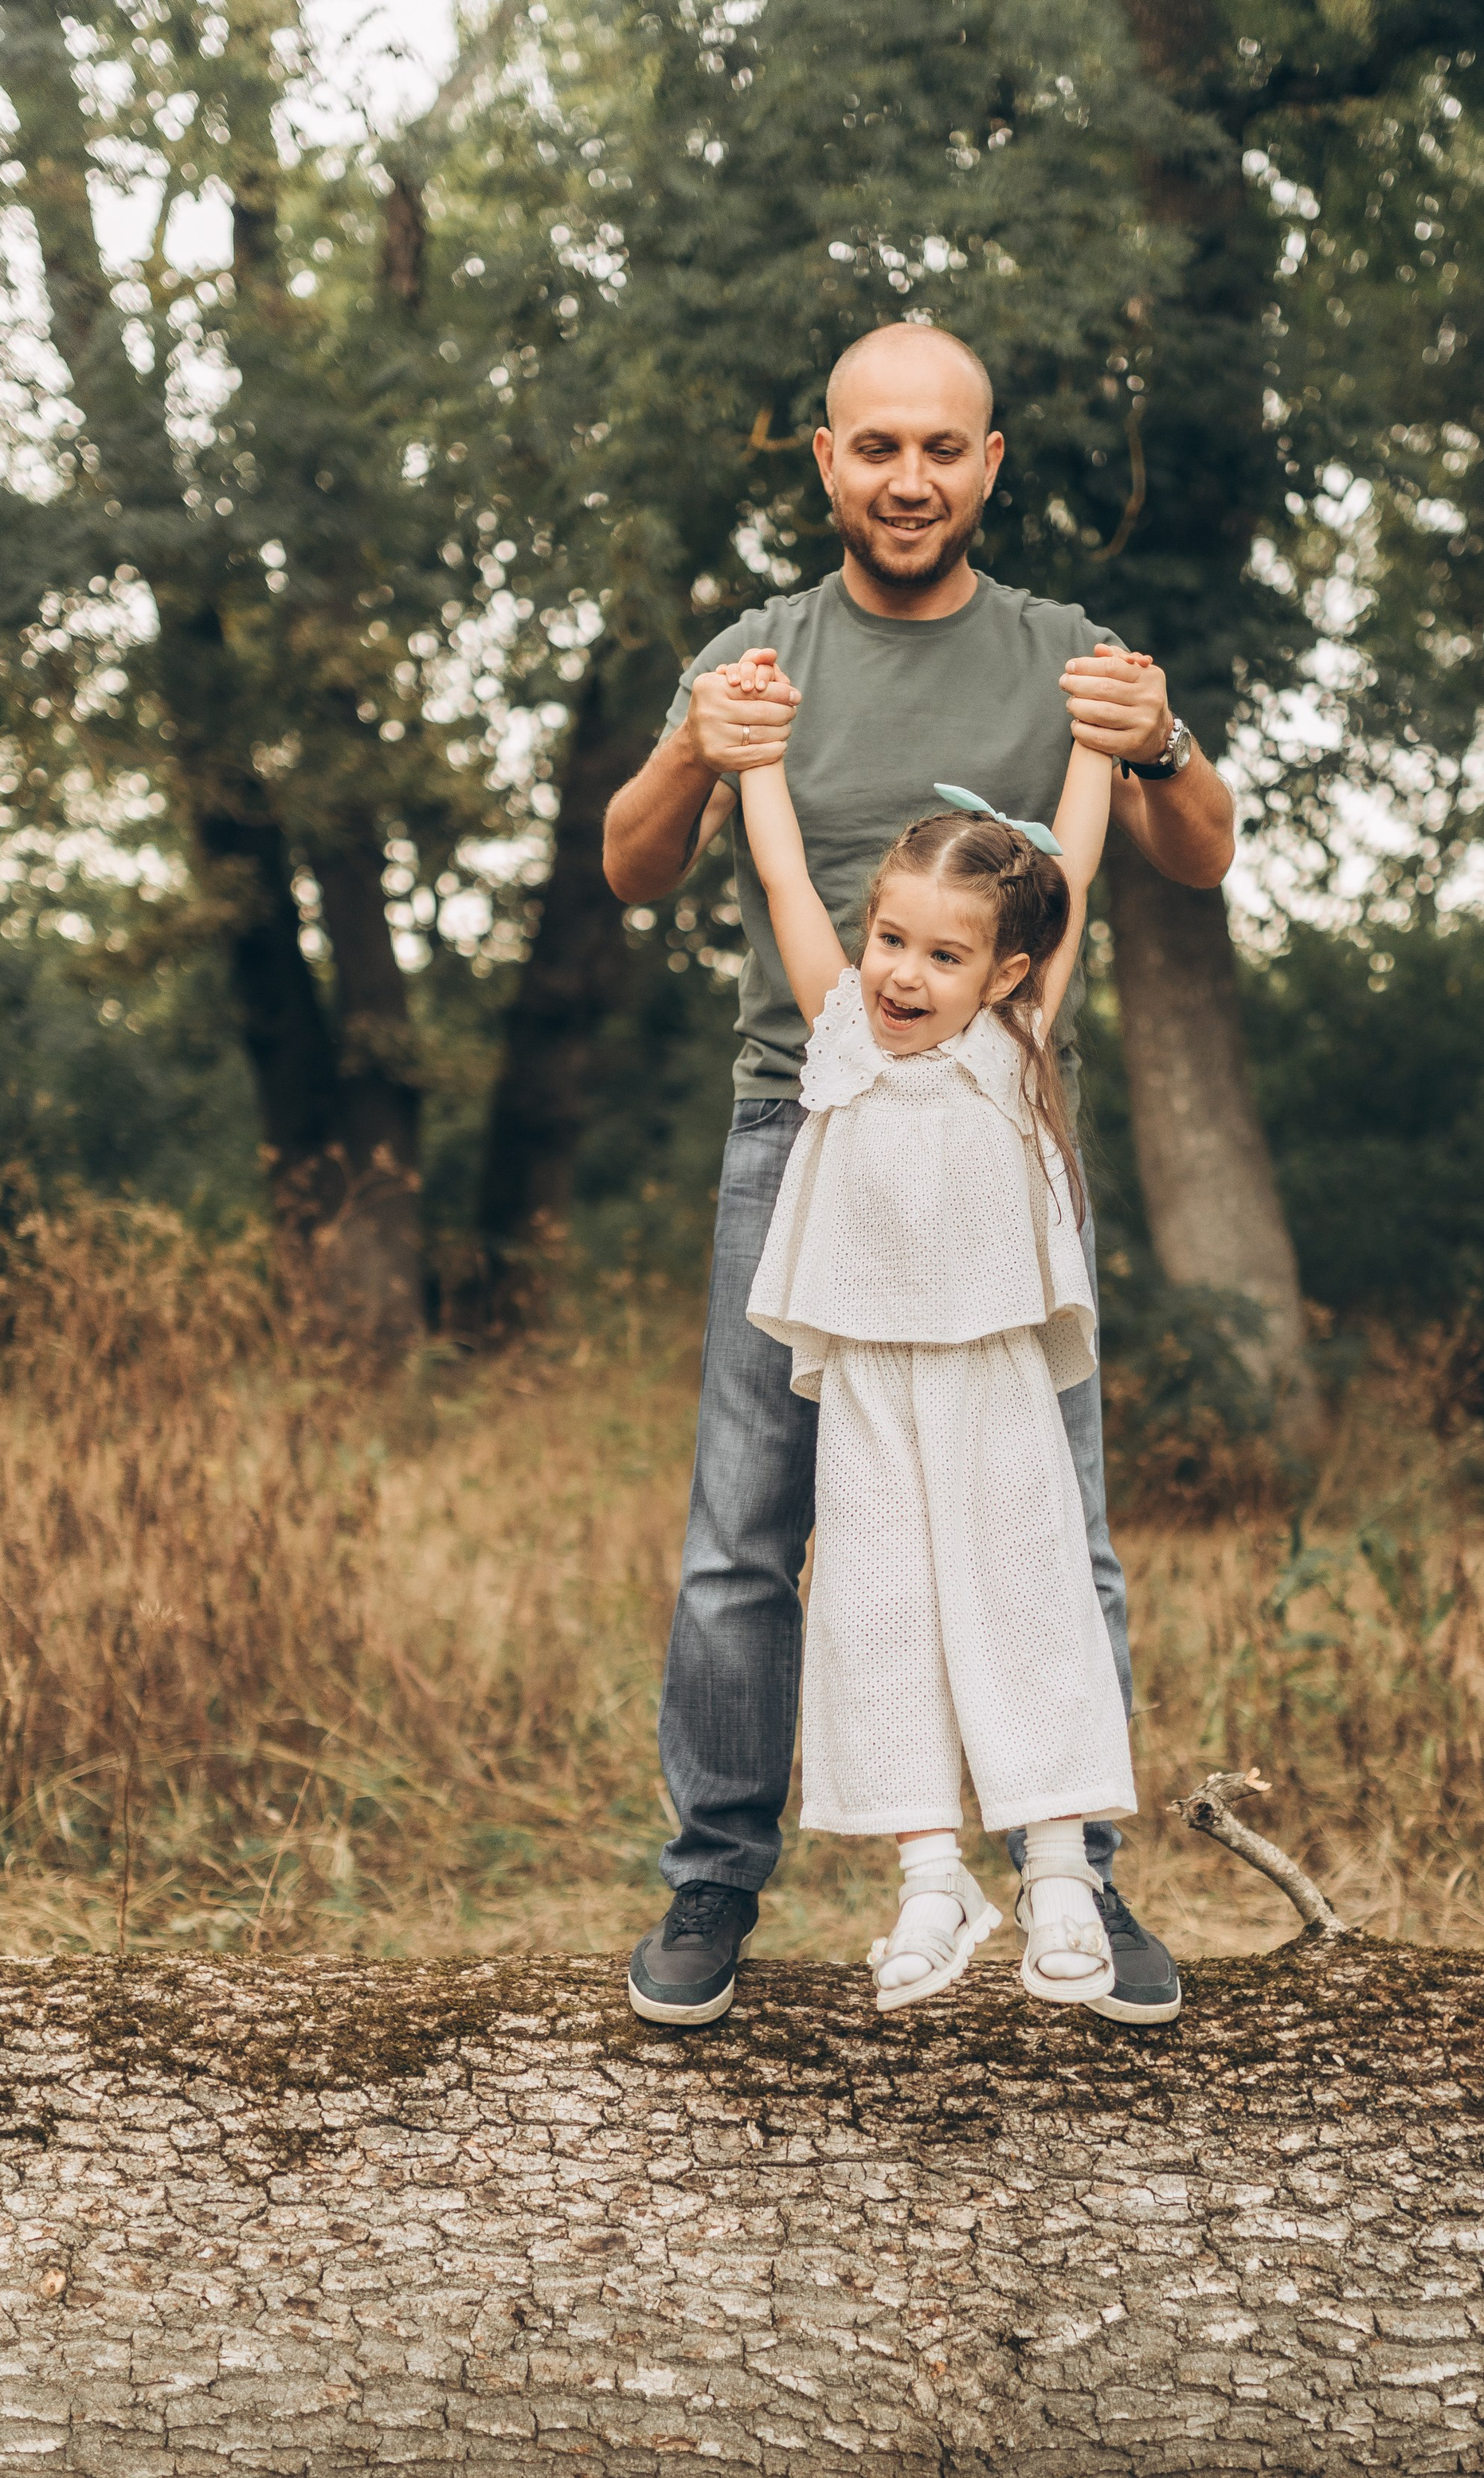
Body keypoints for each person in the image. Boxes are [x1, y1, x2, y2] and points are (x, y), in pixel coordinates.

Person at [605, 321, 1236, 2028]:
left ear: (988, 463)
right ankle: (711, 1889)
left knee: (1053, 1523)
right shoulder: (760, 648)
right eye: (873, 447)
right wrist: (699, 745)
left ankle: (1074, 1883)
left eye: (939, 448)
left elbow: (1188, 850)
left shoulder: (1059, 652)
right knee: (749, 1533)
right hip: (791, 1136)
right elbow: (631, 862)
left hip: (1005, 1148)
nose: (906, 477)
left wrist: (1162, 740)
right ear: (824, 461)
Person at [733, 663, 1156, 2012]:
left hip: (989, 1378)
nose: (907, 974)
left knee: (1023, 1595)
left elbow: (1072, 872)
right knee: (878, 1606)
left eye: (945, 953)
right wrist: (755, 766)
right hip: (868, 1378)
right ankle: (931, 1877)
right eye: (894, 940)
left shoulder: (1011, 1040)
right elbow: (791, 887)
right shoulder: (844, 1038)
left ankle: (1057, 1870)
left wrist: (1096, 751)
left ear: (1005, 972)